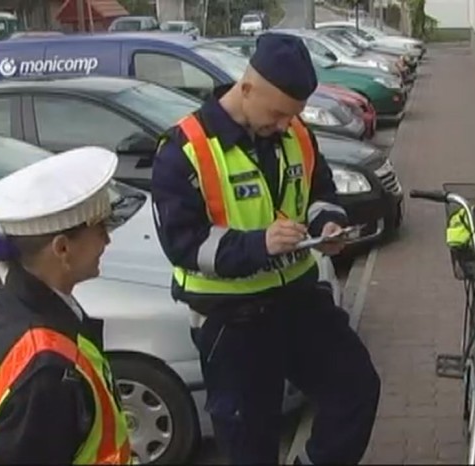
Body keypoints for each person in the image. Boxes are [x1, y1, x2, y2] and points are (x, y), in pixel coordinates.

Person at [150, 32, 381, 464]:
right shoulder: (185, 150)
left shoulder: (296, 132)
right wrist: (261, 244)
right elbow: (184, 246)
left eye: (291, 116)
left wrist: (327, 223)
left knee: (356, 387)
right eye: (276, 114)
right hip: (232, 322)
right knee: (250, 444)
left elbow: (320, 190)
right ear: (247, 86)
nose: (283, 125)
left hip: (298, 303)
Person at [0, 147, 131, 464]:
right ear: (62, 248)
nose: (107, 241)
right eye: (101, 229)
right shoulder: (46, 373)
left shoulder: (7, 309)